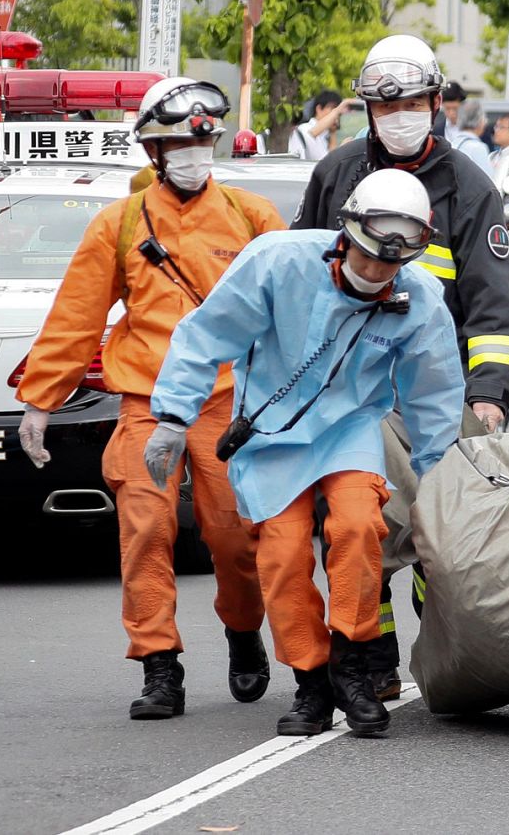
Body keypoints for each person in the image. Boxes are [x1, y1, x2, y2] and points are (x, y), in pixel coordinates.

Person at [148, 169, 466, 737]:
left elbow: (434, 391)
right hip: (270, 433)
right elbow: (205, 335)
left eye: (391, 265)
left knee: (358, 526)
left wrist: (437, 476)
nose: (377, 273)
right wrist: (173, 417)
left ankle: (353, 665)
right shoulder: (277, 263)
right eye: (368, 258)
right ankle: (311, 682)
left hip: (349, 427)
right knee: (283, 555)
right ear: (346, 234)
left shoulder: (417, 297)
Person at [15, 79, 284, 720]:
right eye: (179, 145)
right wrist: (40, 400)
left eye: (202, 144)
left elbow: (292, 311)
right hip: (145, 401)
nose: (193, 155)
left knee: (236, 540)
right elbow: (77, 316)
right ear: (154, 152)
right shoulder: (120, 224)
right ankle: (159, 663)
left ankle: (243, 630)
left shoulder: (253, 217)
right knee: (145, 531)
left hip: (227, 404)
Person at [293, 33, 509, 700]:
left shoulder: (469, 189)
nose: (399, 115)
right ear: (366, 109)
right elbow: (302, 278)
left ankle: (436, 626)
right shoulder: (335, 174)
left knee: (436, 528)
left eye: (413, 102)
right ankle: (371, 650)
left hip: (432, 392)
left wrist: (488, 393)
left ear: (435, 102)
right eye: (385, 105)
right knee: (354, 523)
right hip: (348, 386)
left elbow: (493, 305)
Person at [289, 90, 348, 161]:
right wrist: (345, 104)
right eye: (332, 109)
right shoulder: (304, 128)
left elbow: (330, 161)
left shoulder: (325, 136)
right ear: (319, 109)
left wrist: (333, 132)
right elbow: (311, 134)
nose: (336, 115)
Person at [448, 99, 493, 173]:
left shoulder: (451, 144)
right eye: (484, 118)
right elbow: (487, 177)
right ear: (479, 121)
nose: (485, 123)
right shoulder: (478, 147)